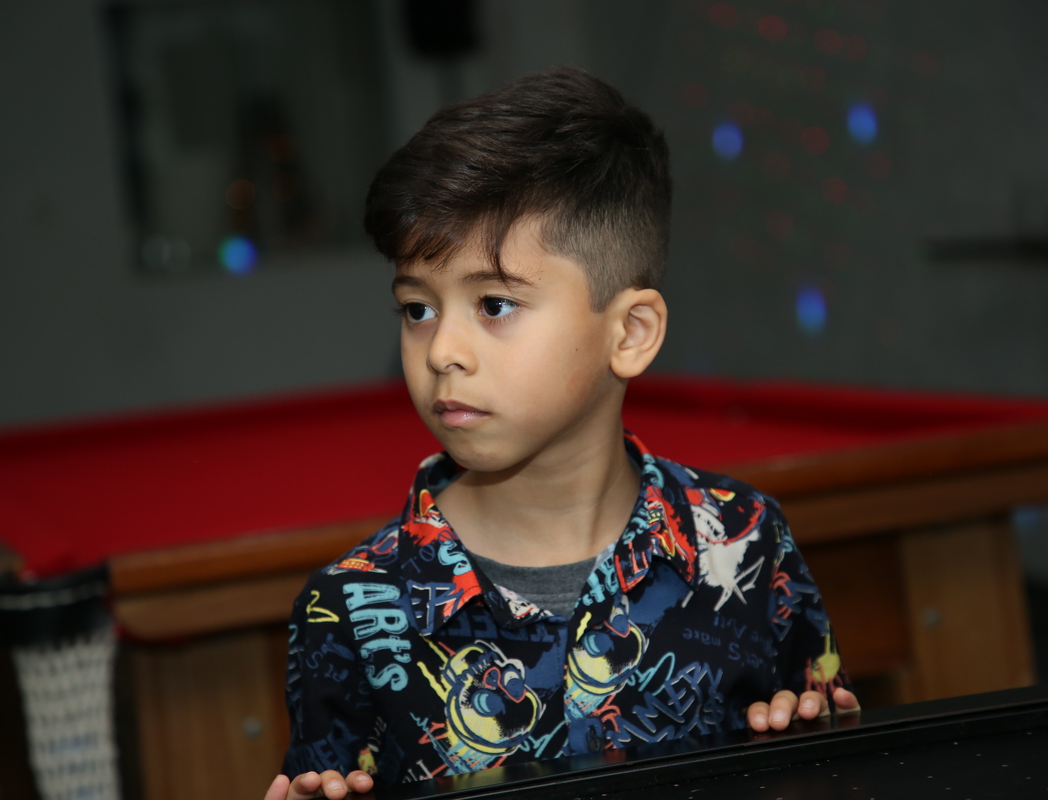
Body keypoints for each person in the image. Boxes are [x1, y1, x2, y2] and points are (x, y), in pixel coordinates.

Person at [265, 66, 858, 800]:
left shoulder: (747, 540)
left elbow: (835, 744)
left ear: (630, 333)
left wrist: (812, 748)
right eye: (418, 309)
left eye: (494, 304)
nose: (442, 350)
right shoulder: (349, 606)